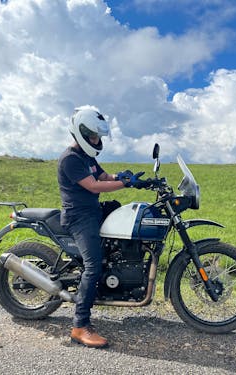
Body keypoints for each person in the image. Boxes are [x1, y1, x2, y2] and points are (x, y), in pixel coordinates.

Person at [57, 106, 143, 348]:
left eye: (98, 137)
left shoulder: (87, 157)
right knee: (93, 266)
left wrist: (127, 177)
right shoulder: (70, 159)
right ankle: (79, 327)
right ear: (81, 133)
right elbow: (94, 186)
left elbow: (104, 177)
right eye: (93, 136)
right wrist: (124, 184)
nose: (97, 140)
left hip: (92, 211)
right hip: (79, 217)